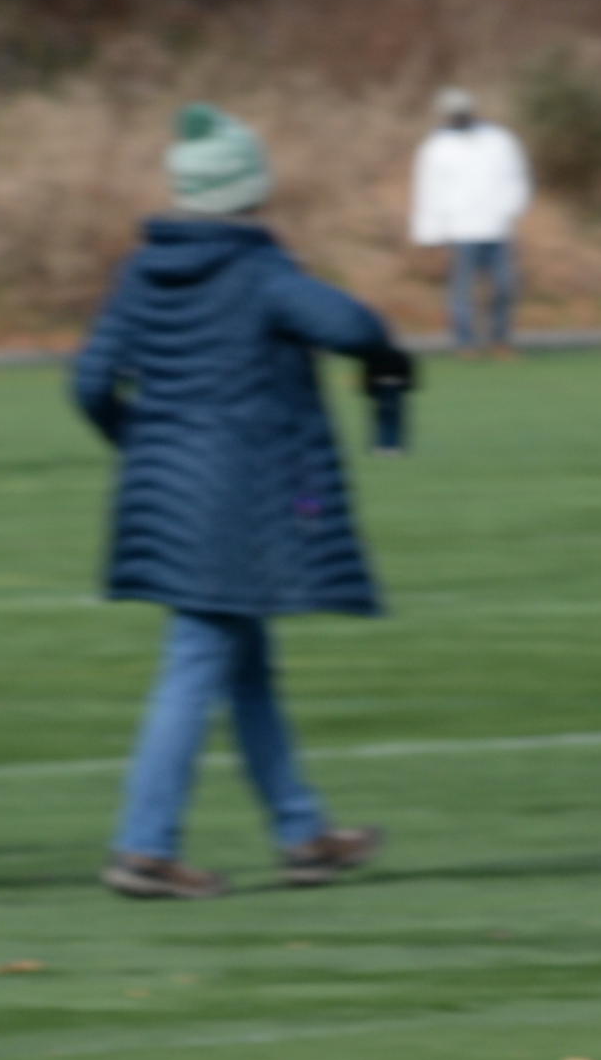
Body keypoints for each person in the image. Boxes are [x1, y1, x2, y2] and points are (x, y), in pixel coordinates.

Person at [72, 106, 403, 900]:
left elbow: (88, 382)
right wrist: (385, 353)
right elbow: (349, 325)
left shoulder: (140, 272)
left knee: (246, 666)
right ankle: (144, 846)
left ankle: (303, 833)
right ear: (248, 191)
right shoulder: (258, 271)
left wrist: (144, 445)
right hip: (235, 505)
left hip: (170, 497)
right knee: (195, 662)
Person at [409, 86, 531, 356]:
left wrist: (511, 209)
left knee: (504, 286)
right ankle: (465, 341)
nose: (458, 117)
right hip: (461, 229)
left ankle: (500, 339)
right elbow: (428, 191)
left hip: (498, 228)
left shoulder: (499, 140)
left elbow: (517, 177)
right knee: (462, 289)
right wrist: (428, 233)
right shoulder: (435, 148)